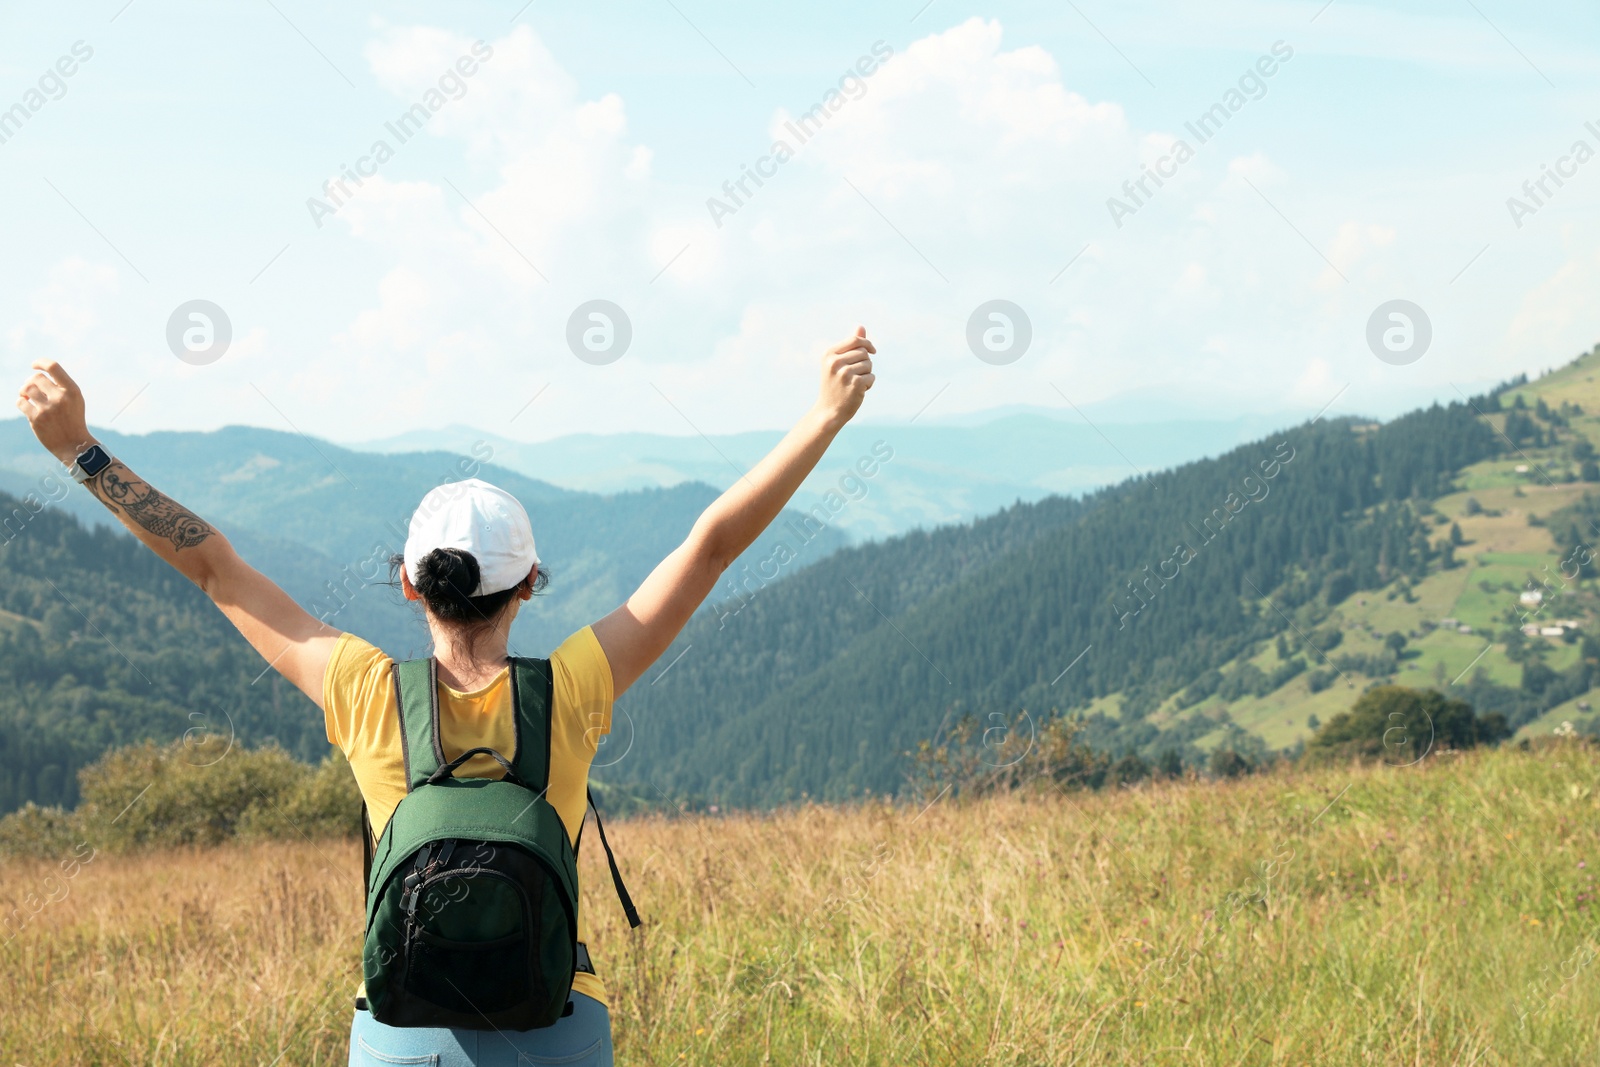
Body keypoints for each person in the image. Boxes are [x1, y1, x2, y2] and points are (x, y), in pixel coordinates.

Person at [14, 328, 875, 1065]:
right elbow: (714, 544)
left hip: (399, 1029)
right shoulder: (574, 684)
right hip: (558, 1023)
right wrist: (825, 415)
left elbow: (211, 565)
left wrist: (81, 453)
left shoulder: (359, 689)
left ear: (407, 585)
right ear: (530, 584)